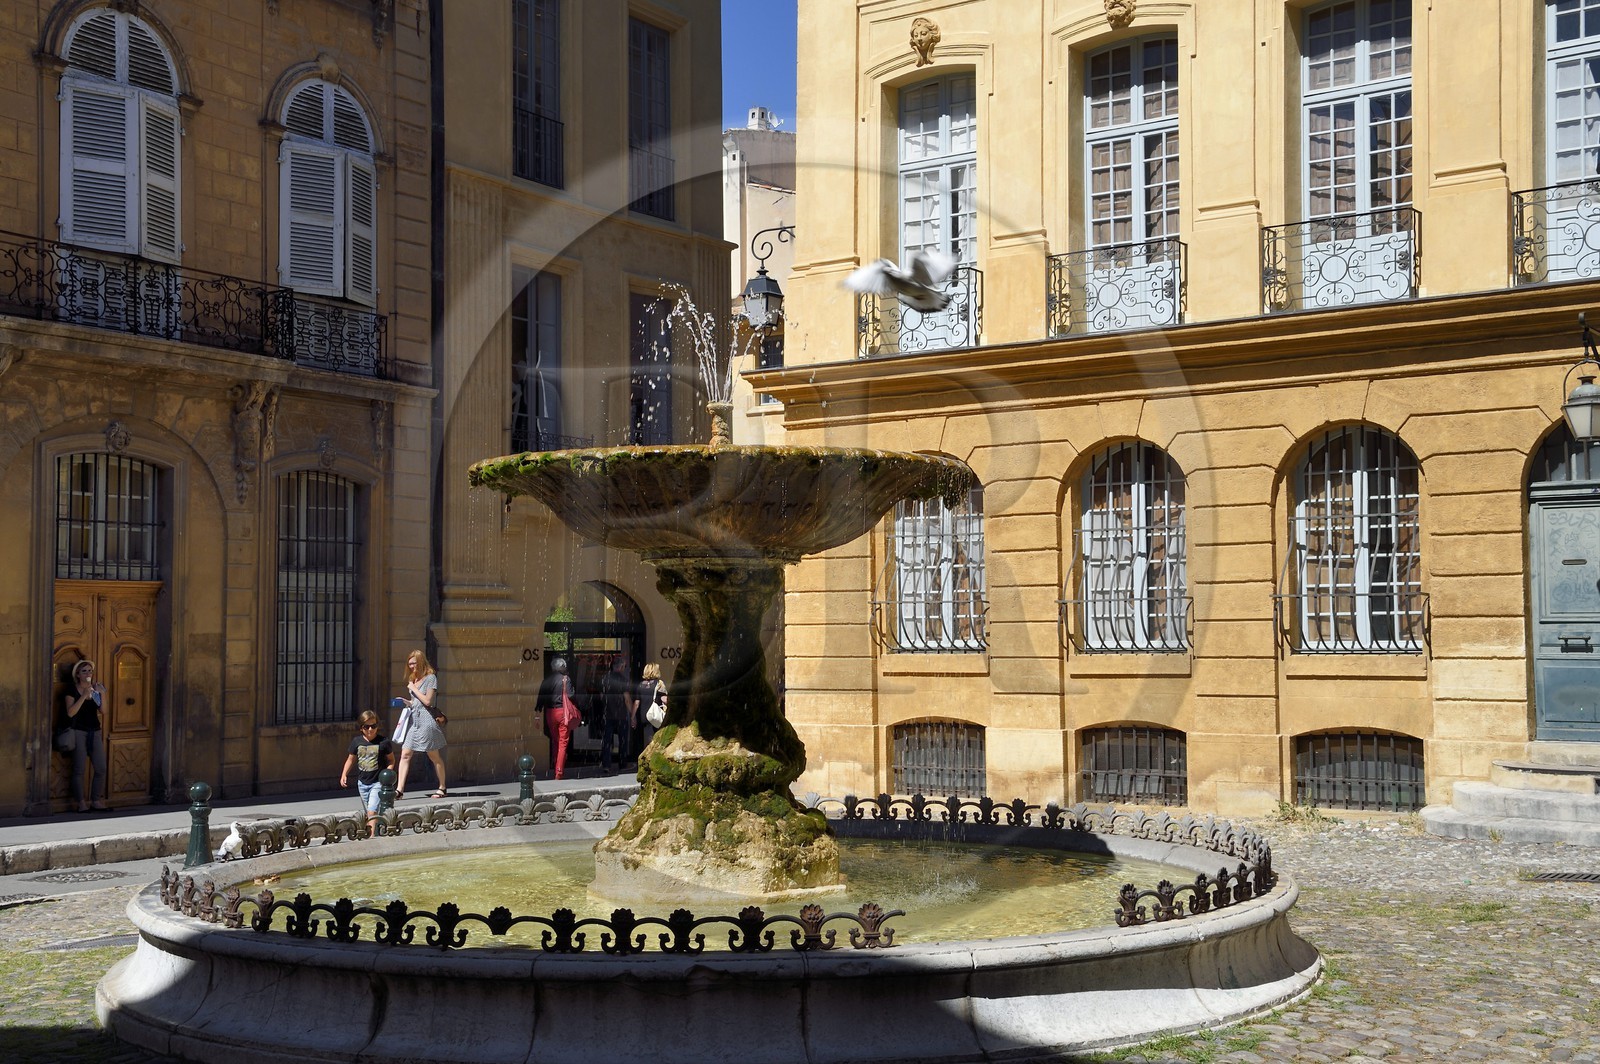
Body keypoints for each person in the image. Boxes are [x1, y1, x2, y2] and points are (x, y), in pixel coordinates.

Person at [393, 649, 447, 799]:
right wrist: (406, 702)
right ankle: (399, 790)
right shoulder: (413, 679)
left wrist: (413, 689)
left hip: (426, 721)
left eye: (414, 663)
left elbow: (428, 701)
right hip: (413, 722)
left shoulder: (430, 678)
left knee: (433, 755)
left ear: (421, 662)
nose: (411, 667)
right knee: (405, 754)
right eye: (409, 664)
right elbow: (416, 702)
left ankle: (442, 787)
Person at [62, 659, 108, 812]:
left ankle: (96, 800)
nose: (88, 674)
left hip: (94, 731)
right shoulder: (72, 690)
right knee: (79, 769)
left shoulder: (95, 690)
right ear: (78, 675)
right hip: (78, 732)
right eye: (84, 671)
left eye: (90, 671)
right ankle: (81, 803)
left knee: (101, 767)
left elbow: (104, 711)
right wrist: (83, 696)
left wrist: (102, 694)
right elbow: (70, 712)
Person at [339, 710, 394, 837]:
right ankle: (377, 829)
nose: (370, 729)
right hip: (362, 782)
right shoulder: (357, 742)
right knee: (369, 810)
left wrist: (388, 772)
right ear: (361, 728)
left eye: (373, 726)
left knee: (372, 810)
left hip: (377, 782)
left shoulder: (383, 742)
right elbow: (350, 759)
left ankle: (371, 836)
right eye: (367, 727)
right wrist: (344, 774)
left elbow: (391, 760)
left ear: (377, 726)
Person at [536, 657, 579, 779]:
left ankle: (555, 764)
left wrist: (537, 713)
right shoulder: (566, 679)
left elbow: (540, 699)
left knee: (555, 740)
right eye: (564, 666)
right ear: (561, 667)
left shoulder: (547, 680)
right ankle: (559, 772)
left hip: (550, 713)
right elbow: (571, 695)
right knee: (563, 742)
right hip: (562, 712)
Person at [598, 656, 637, 773]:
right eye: (624, 666)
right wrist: (632, 715)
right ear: (620, 667)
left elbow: (601, 696)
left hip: (607, 713)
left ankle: (606, 765)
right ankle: (622, 763)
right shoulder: (623, 680)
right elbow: (627, 699)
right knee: (623, 740)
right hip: (620, 714)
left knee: (607, 740)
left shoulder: (604, 678)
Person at [636, 662, 667, 750]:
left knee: (648, 740)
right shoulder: (659, 683)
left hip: (645, 716)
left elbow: (637, 703)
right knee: (657, 740)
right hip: (655, 715)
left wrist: (633, 717)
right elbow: (664, 699)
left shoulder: (640, 685)